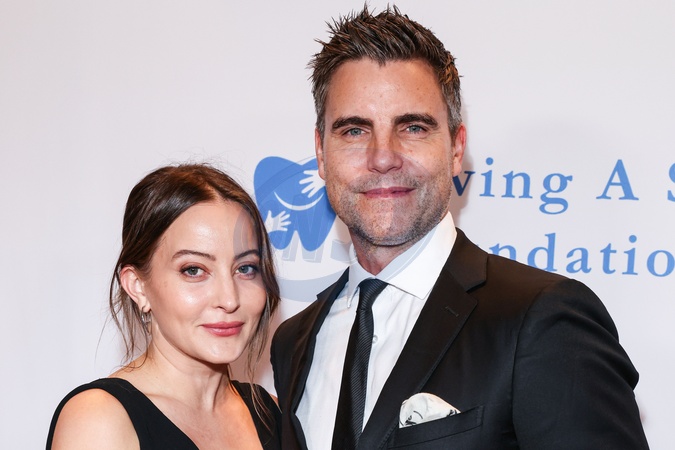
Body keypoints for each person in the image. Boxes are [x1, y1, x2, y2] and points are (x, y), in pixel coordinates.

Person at [271, 6, 649, 450]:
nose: (383, 157)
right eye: (354, 131)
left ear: (456, 149)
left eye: (413, 127)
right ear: (321, 153)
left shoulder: (542, 320)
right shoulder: (294, 341)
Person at [47, 164, 281, 449]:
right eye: (194, 270)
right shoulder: (99, 420)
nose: (229, 299)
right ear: (138, 286)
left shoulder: (275, 414)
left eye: (245, 268)